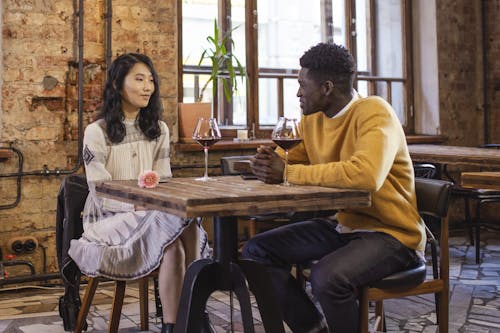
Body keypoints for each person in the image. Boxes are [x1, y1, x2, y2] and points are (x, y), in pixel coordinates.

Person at [243, 43, 425, 333]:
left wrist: (286, 171)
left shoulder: (374, 112)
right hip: (344, 227)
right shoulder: (312, 120)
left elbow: (366, 175)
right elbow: (291, 159)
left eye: (302, 85)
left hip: (393, 234)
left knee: (327, 277)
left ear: (327, 87)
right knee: (256, 251)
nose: (298, 93)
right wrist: (268, 162)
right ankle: (313, 328)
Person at [68, 53, 214, 333]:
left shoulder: (159, 130)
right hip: (108, 216)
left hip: (152, 212)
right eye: (139, 79)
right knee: (172, 234)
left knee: (181, 228)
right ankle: (191, 320)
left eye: (151, 80)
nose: (148, 87)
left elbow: (164, 180)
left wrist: (152, 204)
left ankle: (183, 321)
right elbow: (98, 191)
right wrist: (136, 207)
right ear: (116, 84)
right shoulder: (96, 132)